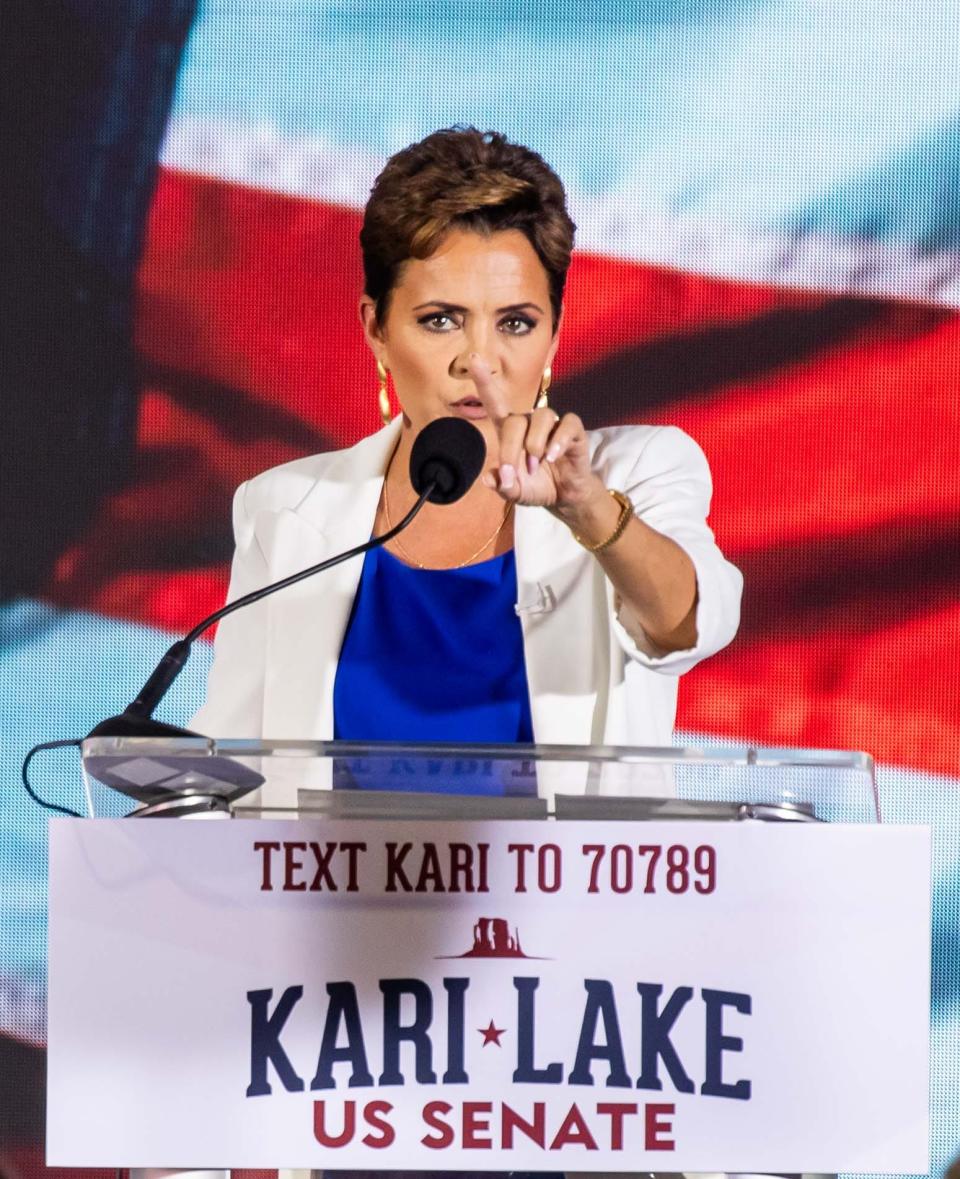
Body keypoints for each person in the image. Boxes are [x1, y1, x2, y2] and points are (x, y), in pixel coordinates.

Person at [190, 127, 742, 800]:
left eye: (514, 322)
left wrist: (589, 510)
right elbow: (235, 764)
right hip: (333, 902)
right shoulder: (285, 508)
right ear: (377, 329)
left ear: (554, 335)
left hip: (559, 901)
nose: (477, 361)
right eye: (441, 319)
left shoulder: (633, 472)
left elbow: (690, 625)